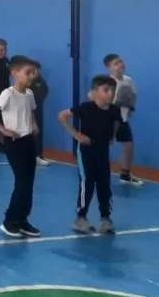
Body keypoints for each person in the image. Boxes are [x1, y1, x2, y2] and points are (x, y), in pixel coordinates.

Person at [0, 55, 41, 239]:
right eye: (28, 72)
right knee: (22, 183)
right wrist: (3, 130)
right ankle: (10, 222)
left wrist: (33, 125)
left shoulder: (29, 94)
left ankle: (22, 220)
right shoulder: (8, 93)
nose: (32, 76)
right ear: (14, 73)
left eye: (33, 73)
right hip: (14, 144)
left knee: (29, 183)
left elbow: (30, 112)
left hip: (28, 141)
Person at [58, 75, 120, 235]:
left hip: (103, 151)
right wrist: (76, 134)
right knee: (87, 182)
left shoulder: (114, 110)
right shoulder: (86, 108)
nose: (110, 93)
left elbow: (116, 122)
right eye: (106, 90)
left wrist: (112, 136)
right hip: (86, 151)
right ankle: (80, 218)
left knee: (104, 184)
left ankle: (105, 218)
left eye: (113, 90)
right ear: (95, 92)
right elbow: (62, 116)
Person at [104, 54, 143, 185]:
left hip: (123, 119)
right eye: (116, 63)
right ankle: (97, 173)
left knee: (128, 145)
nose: (120, 65)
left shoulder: (129, 80)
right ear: (109, 67)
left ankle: (125, 175)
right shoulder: (106, 82)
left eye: (121, 62)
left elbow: (132, 98)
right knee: (103, 146)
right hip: (108, 119)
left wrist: (129, 108)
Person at [30, 62, 50, 166]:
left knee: (38, 132)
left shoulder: (42, 81)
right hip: (25, 110)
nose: (37, 72)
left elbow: (45, 92)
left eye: (38, 70)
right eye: (35, 70)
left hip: (38, 109)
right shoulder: (25, 81)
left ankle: (38, 155)